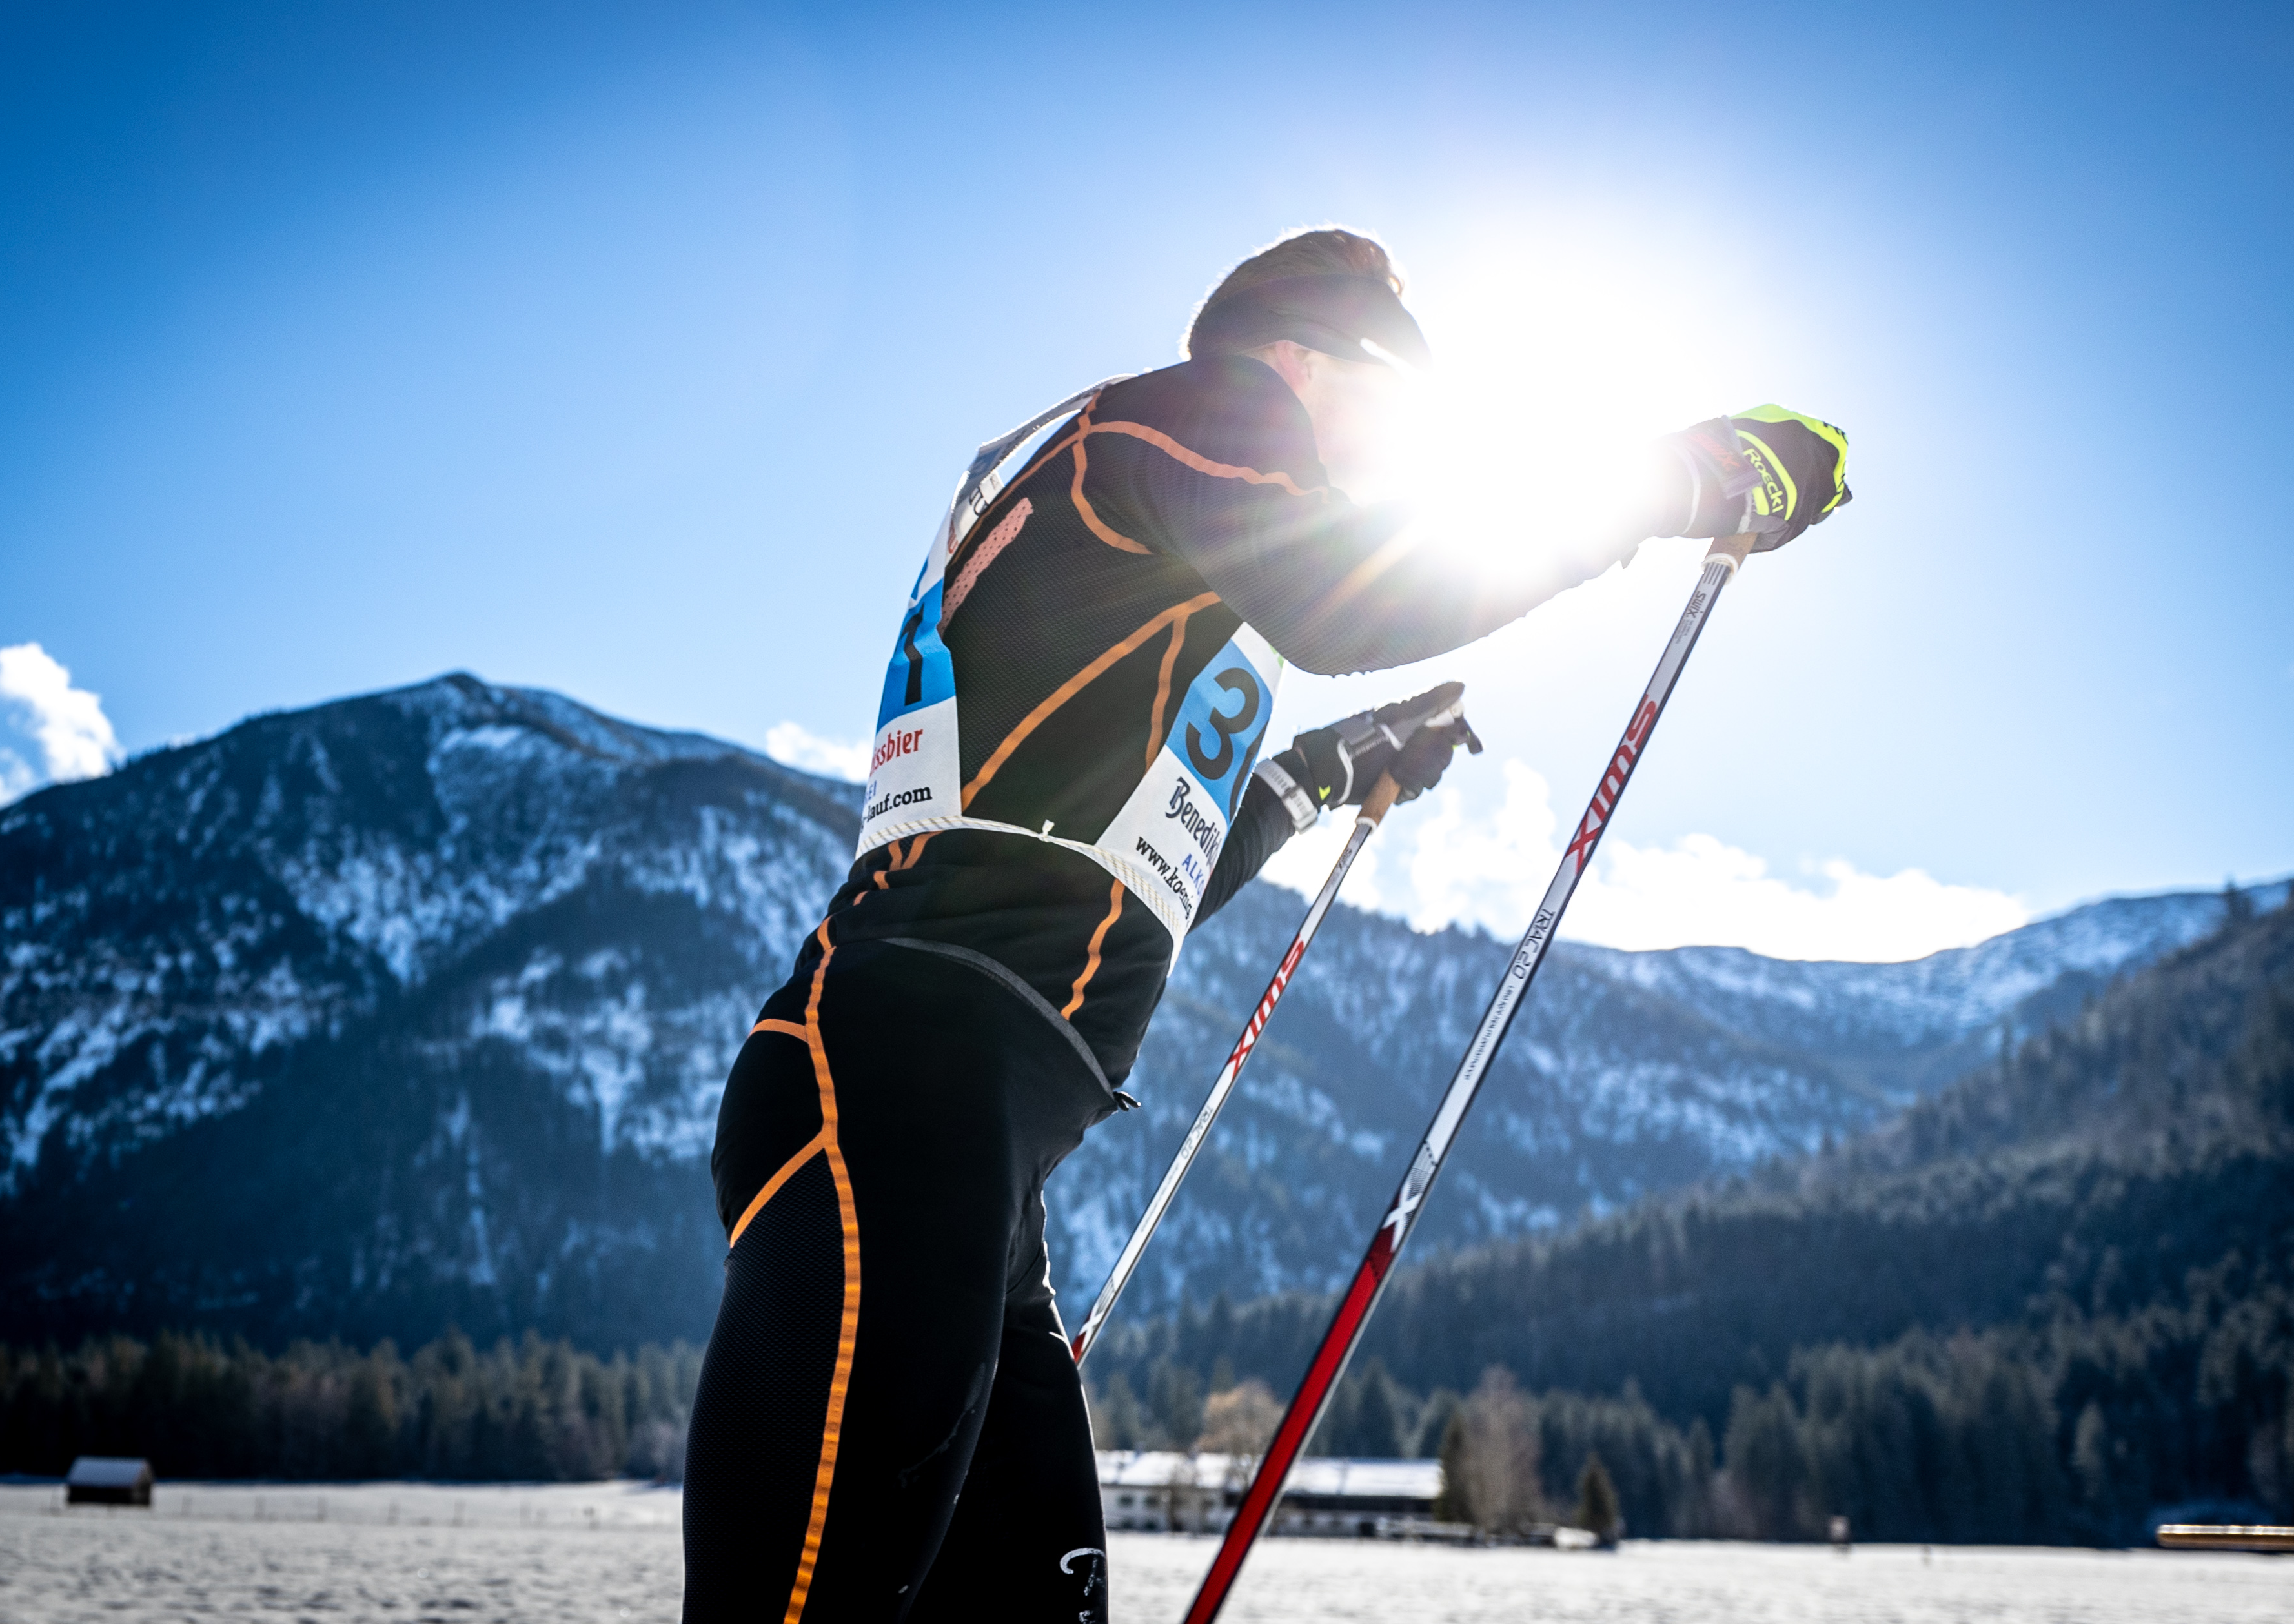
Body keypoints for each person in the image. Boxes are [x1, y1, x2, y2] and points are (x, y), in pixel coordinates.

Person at [681, 228, 1851, 1621]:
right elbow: (1348, 591)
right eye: (1393, 407)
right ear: (1305, 353)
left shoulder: (1136, 539)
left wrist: (1331, 770)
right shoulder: (1193, 409)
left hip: (964, 1139)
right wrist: (1682, 476)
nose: (1375, 462)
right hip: (889, 1096)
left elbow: (1139, 855)